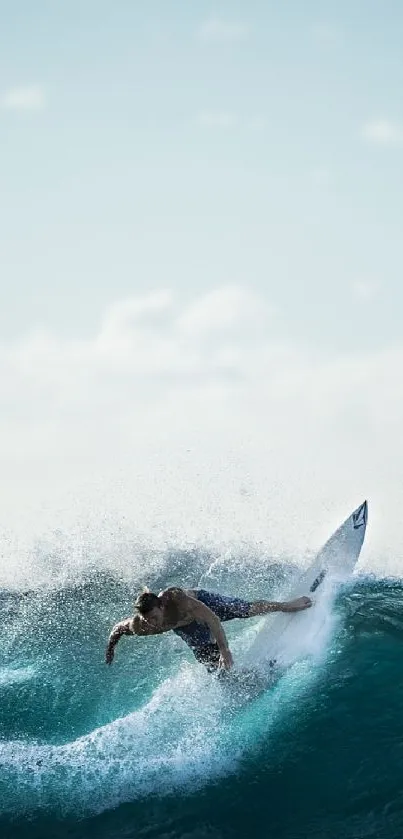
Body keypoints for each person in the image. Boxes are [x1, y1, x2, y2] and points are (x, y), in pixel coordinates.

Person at [105, 586, 312, 673]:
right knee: (212, 665)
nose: (152, 624)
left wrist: (225, 650)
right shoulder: (141, 626)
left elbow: (213, 620)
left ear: (161, 605)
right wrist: (110, 649)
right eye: (147, 620)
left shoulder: (179, 600)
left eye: (154, 618)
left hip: (205, 606)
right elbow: (118, 629)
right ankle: (240, 681)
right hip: (187, 629)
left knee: (244, 609)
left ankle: (286, 605)